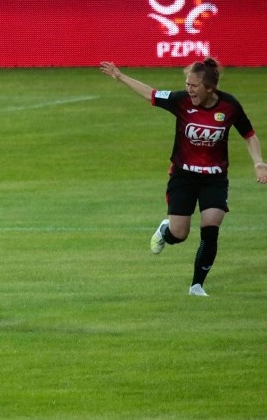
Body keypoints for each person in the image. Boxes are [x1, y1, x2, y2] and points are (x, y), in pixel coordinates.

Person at [100, 58, 266, 296]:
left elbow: (249, 135)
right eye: (187, 84)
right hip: (183, 176)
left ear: (209, 88)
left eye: (194, 86)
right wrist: (121, 76)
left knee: (211, 226)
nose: (189, 89)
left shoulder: (230, 106)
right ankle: (165, 230)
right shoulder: (181, 101)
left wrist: (259, 162)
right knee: (179, 234)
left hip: (214, 178)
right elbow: (152, 94)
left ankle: (197, 285)